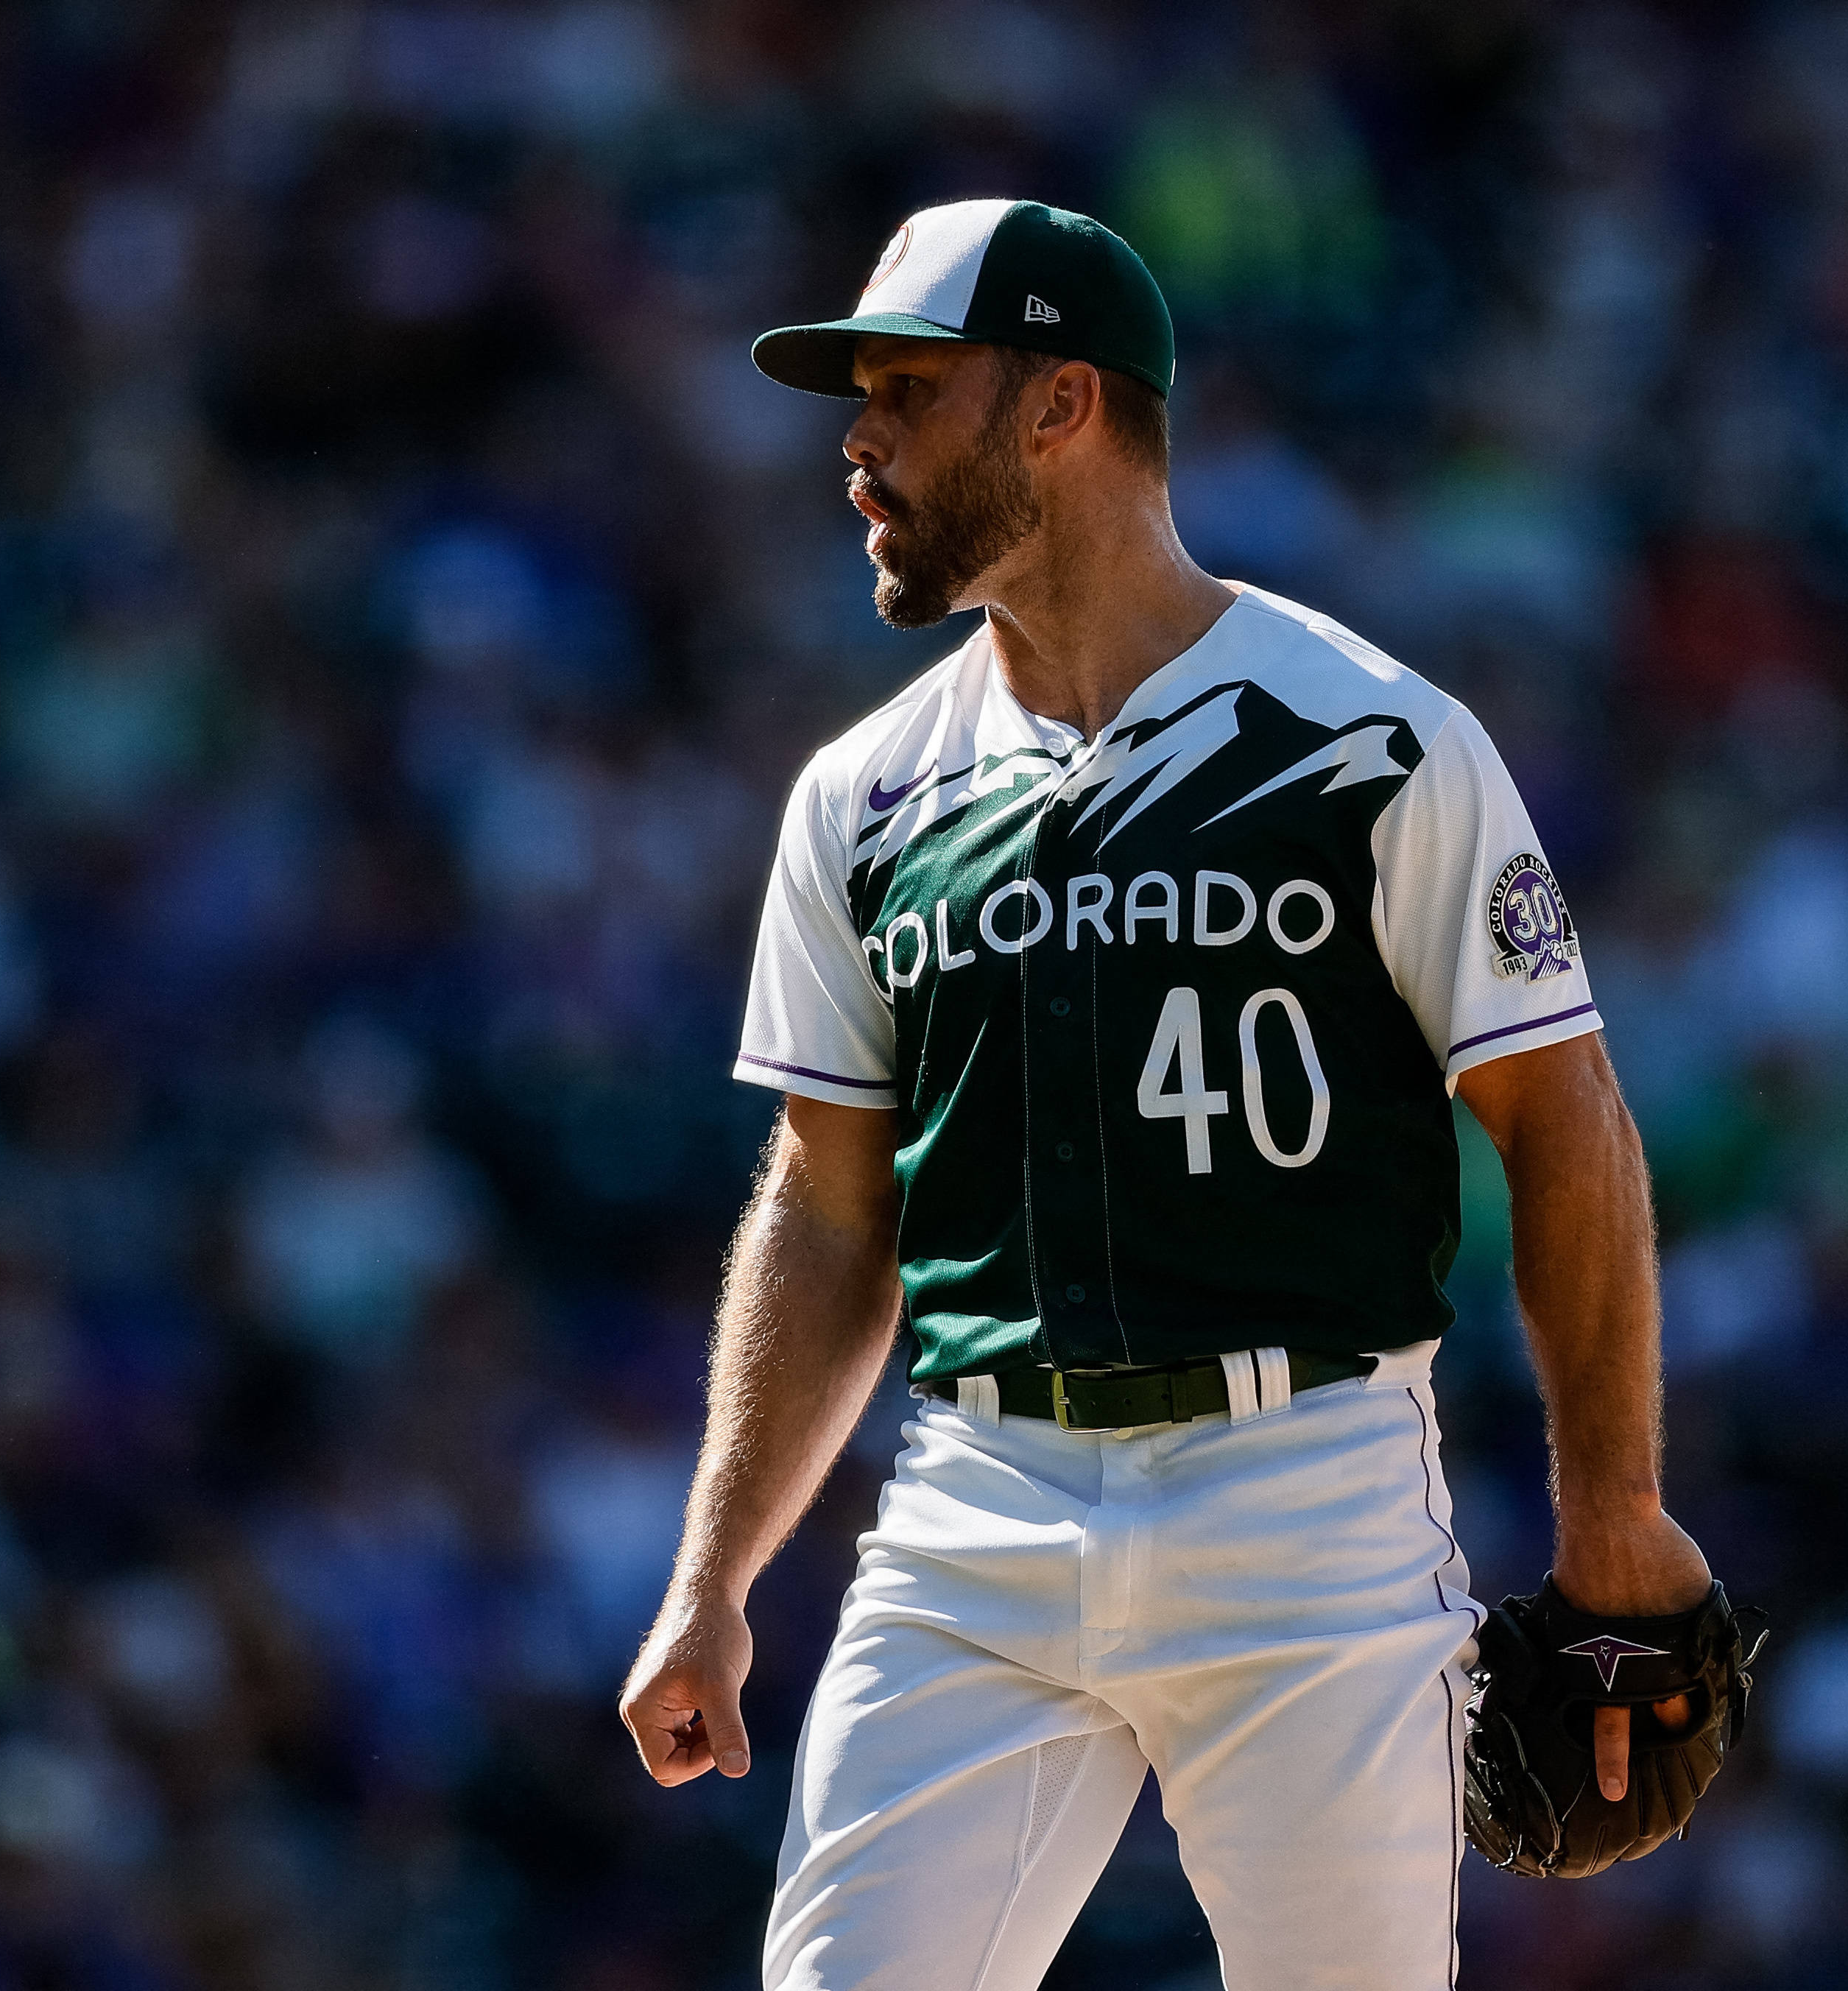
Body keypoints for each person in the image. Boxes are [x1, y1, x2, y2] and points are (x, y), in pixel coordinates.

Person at [618, 199, 1712, 1991]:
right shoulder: (865, 798)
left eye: (906, 388)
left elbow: (1565, 1119)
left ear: (1061, 405)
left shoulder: (1370, 738)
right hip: (978, 1498)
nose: (857, 441)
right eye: (859, 398)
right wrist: (717, 1566)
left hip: (1305, 1502)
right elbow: (830, 1202)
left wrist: (1614, 1502)